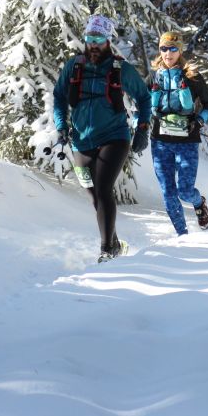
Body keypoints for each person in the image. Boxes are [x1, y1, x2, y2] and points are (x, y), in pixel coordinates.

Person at [53, 14, 152, 262]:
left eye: (98, 39)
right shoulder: (74, 66)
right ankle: (115, 243)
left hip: (114, 137)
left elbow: (144, 97)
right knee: (94, 196)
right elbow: (59, 97)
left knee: (104, 188)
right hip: (81, 142)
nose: (93, 45)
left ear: (108, 41)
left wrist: (142, 127)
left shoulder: (120, 69)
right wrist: (61, 125)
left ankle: (106, 250)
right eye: (89, 39)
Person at [147, 31, 208, 236]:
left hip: (187, 141)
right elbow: (143, 102)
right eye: (164, 49)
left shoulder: (192, 76)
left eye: (173, 49)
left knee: (185, 191)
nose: (168, 53)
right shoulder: (153, 77)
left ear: (180, 51)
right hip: (160, 142)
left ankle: (199, 202)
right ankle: (182, 236)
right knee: (168, 193)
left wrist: (200, 120)